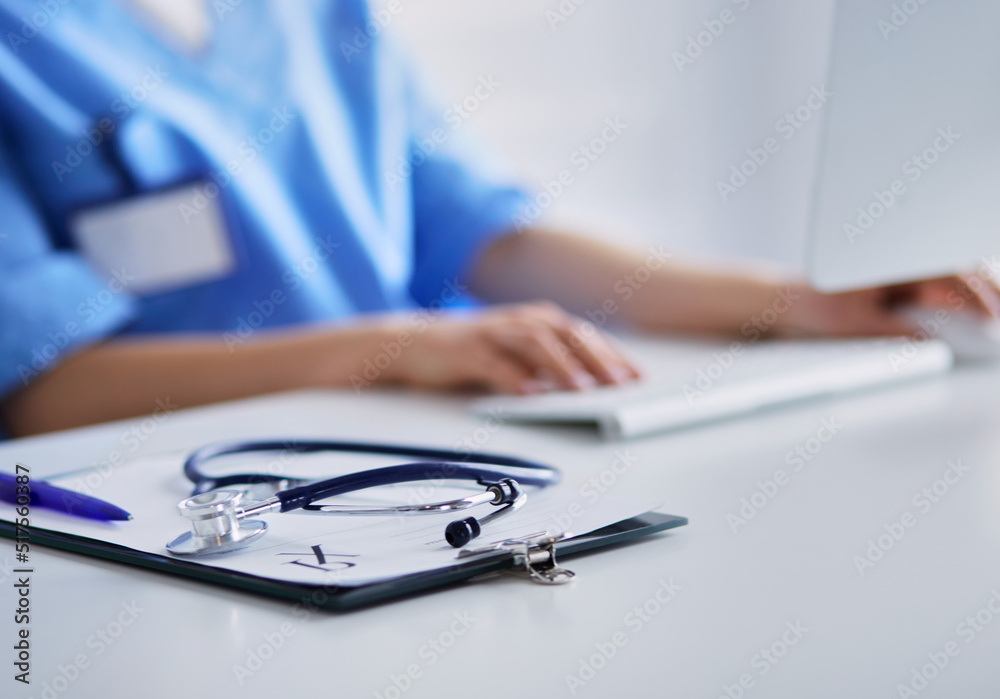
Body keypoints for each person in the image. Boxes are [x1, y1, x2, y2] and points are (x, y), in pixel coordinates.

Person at [0, 0, 997, 439]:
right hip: (156, 503)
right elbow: (36, 395)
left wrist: (787, 300)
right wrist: (393, 351)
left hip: (394, 458)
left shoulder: (308, 12)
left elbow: (487, 237)